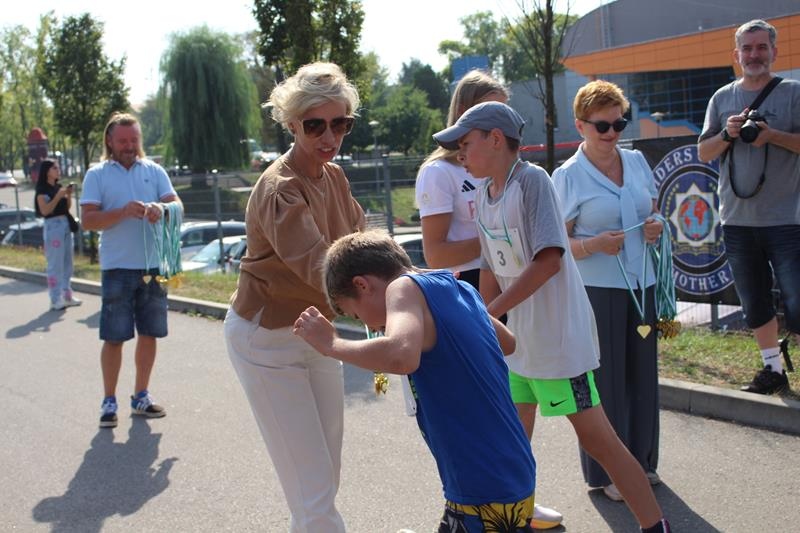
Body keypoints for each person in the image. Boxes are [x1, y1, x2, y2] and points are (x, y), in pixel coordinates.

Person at [432, 102, 670, 533]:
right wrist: (485, 324)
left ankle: (656, 526)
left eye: (465, 144)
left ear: (496, 139)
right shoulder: (483, 196)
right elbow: (490, 268)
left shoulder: (533, 181)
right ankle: (512, 521)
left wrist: (486, 315)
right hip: (519, 348)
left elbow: (549, 261)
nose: (459, 155)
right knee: (510, 441)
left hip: (558, 345)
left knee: (599, 441)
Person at [293, 230, 537, 533]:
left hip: (482, 483)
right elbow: (507, 342)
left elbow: (401, 356)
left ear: (362, 285)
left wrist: (332, 344)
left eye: (356, 315)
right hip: (513, 469)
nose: (369, 325)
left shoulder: (402, 288)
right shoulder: (460, 288)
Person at [415, 69, 562, 531]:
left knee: (516, 402)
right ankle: (475, 508)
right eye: (488, 107)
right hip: (468, 293)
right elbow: (435, 254)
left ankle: (517, 498)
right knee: (482, 409)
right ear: (464, 113)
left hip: (503, 286)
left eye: (506, 109)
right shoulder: (439, 172)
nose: (502, 118)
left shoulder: (509, 173)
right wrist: (497, 238)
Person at [223, 62, 365, 533]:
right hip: (267, 341)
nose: (330, 136)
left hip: (316, 333)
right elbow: (319, 265)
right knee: (314, 492)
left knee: (323, 479)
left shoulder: (335, 177)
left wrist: (415, 282)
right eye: (314, 125)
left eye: (340, 124)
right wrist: (385, 304)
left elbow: (363, 246)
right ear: (291, 124)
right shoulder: (280, 188)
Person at [551, 80, 664, 501]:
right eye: (603, 125)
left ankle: (642, 463)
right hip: (597, 291)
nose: (612, 132)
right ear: (581, 125)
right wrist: (594, 245)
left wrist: (656, 227)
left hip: (642, 284)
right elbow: (555, 246)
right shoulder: (567, 176)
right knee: (606, 382)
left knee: (643, 377)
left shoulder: (635, 161)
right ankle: (607, 473)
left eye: (620, 123)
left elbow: (654, 211)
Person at [698, 19, 800, 395]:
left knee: (798, 301)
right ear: (736, 54)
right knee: (754, 302)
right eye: (747, 48)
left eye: (761, 47)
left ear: (774, 51)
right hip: (738, 221)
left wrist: (771, 135)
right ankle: (772, 369)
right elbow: (704, 152)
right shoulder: (721, 98)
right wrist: (728, 134)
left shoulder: (793, 93)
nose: (754, 54)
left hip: (788, 218)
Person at [80, 112, 182, 429]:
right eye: (123, 140)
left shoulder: (154, 171)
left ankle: (141, 396)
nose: (129, 146)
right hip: (117, 267)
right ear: (109, 141)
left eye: (134, 140)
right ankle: (109, 400)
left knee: (150, 333)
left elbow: (177, 205)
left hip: (153, 265)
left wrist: (161, 209)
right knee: (114, 337)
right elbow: (88, 220)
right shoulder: (97, 174)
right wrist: (123, 212)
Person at [35, 159, 82, 311]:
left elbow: (66, 207)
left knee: (68, 263)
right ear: (47, 171)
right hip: (53, 227)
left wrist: (68, 195)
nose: (58, 170)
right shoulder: (42, 191)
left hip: (65, 224)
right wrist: (57, 197)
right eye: (54, 168)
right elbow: (45, 211)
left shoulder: (58, 187)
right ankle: (55, 298)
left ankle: (67, 295)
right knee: (55, 264)